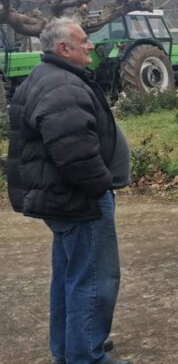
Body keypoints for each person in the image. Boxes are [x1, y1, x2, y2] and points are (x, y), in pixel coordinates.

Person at [5, 18, 132, 364]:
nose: (90, 45)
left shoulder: (51, 77)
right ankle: (85, 356)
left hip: (61, 198)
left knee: (70, 277)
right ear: (64, 49)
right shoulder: (62, 85)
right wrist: (101, 187)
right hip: (79, 200)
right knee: (94, 281)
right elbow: (74, 152)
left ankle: (71, 348)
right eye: (84, 40)